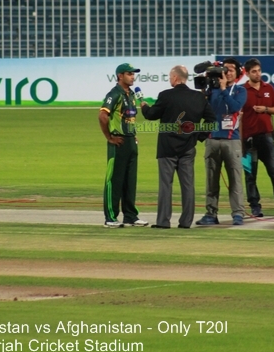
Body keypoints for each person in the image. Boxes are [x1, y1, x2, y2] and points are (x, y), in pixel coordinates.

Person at [140, 65, 217, 229]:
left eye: (170, 77)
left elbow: (151, 115)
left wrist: (144, 106)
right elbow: (212, 121)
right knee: (188, 186)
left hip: (167, 148)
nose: (169, 79)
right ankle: (186, 221)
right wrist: (198, 136)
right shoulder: (198, 97)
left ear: (175, 78)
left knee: (165, 186)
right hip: (188, 147)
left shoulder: (166, 95)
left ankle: (163, 222)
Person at [196, 58, 247, 227]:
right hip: (212, 139)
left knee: (235, 180)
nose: (228, 72)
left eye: (231, 70)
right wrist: (205, 91)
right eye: (225, 70)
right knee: (211, 180)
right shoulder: (211, 91)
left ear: (237, 73)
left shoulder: (240, 91)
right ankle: (211, 213)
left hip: (232, 140)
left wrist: (224, 89)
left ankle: (238, 214)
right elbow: (202, 111)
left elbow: (234, 108)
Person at [241, 58, 274, 217]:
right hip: (248, 139)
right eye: (254, 71)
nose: (258, 74)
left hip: (266, 137)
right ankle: (255, 206)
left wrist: (265, 109)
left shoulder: (268, 88)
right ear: (247, 73)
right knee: (250, 175)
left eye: (259, 70)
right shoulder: (242, 91)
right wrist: (240, 141)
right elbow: (239, 116)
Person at [98, 62, 148, 228]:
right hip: (118, 142)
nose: (132, 76)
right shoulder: (115, 94)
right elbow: (103, 116)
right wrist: (109, 137)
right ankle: (110, 217)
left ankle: (130, 216)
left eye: (133, 74)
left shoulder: (131, 94)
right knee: (115, 180)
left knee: (130, 181)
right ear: (120, 76)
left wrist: (133, 135)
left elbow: (130, 118)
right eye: (129, 73)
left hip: (130, 141)